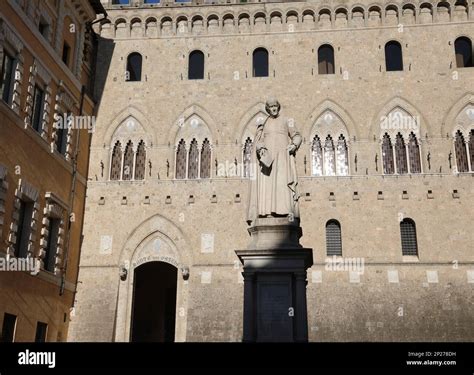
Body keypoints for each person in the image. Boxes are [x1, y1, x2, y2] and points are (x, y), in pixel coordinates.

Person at [247, 98, 302, 226]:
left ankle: (286, 211)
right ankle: (268, 212)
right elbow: (258, 139)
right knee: (268, 186)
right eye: (271, 106)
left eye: (275, 106)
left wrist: (294, 145)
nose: (274, 108)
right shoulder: (264, 123)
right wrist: (261, 148)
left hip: (283, 157)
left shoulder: (288, 120)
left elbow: (297, 135)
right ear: (267, 108)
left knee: (282, 183)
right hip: (268, 160)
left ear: (278, 106)